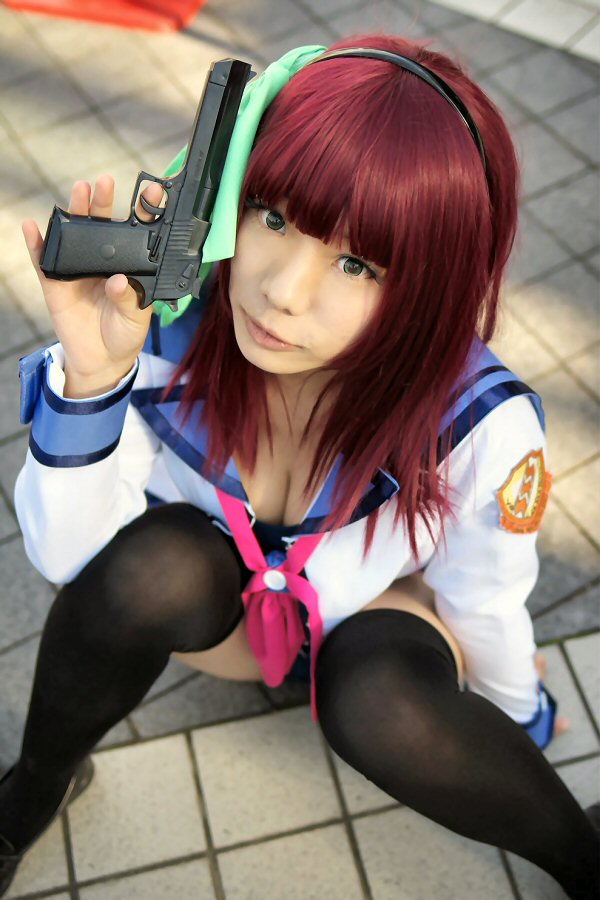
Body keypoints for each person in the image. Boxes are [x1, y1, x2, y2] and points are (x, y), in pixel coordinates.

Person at [1, 32, 598, 899]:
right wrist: (94, 379)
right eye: (273, 217)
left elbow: (485, 592)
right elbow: (73, 565)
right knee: (153, 567)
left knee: (377, 693)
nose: (282, 290)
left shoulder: (478, 421)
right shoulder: (162, 327)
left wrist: (522, 716)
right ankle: (30, 791)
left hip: (368, 627)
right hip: (221, 620)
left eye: (356, 262)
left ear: (430, 288)